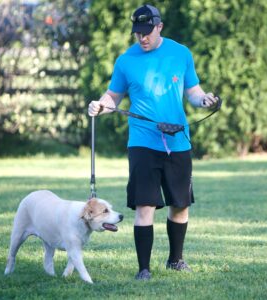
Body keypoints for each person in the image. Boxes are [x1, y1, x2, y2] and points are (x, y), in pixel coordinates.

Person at [88, 4, 219, 281]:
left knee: (180, 204)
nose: (142, 38)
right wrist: (102, 105)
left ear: (159, 27)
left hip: (178, 142)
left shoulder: (181, 53)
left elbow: (193, 92)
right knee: (145, 205)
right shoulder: (126, 60)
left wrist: (205, 100)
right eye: (137, 33)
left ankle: (175, 260)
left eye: (147, 32)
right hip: (142, 142)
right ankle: (143, 269)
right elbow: (114, 96)